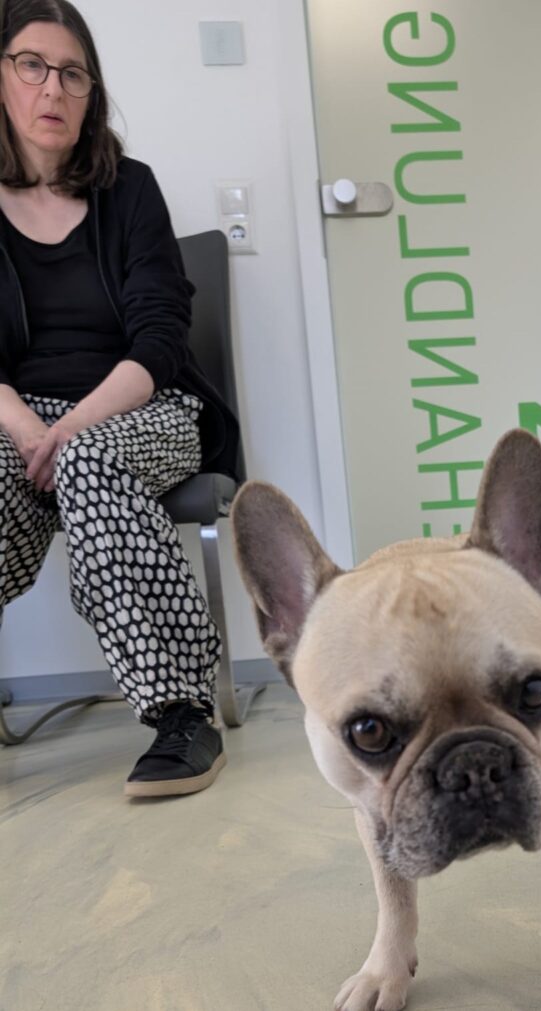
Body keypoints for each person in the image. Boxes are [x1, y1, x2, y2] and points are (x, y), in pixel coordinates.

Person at [0, 0, 241, 797]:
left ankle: (182, 711)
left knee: (90, 462)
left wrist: (67, 429)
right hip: (21, 415)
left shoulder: (129, 190)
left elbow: (161, 340)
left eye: (74, 72)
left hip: (147, 405)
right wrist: (34, 430)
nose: (53, 89)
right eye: (31, 65)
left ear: (92, 91)